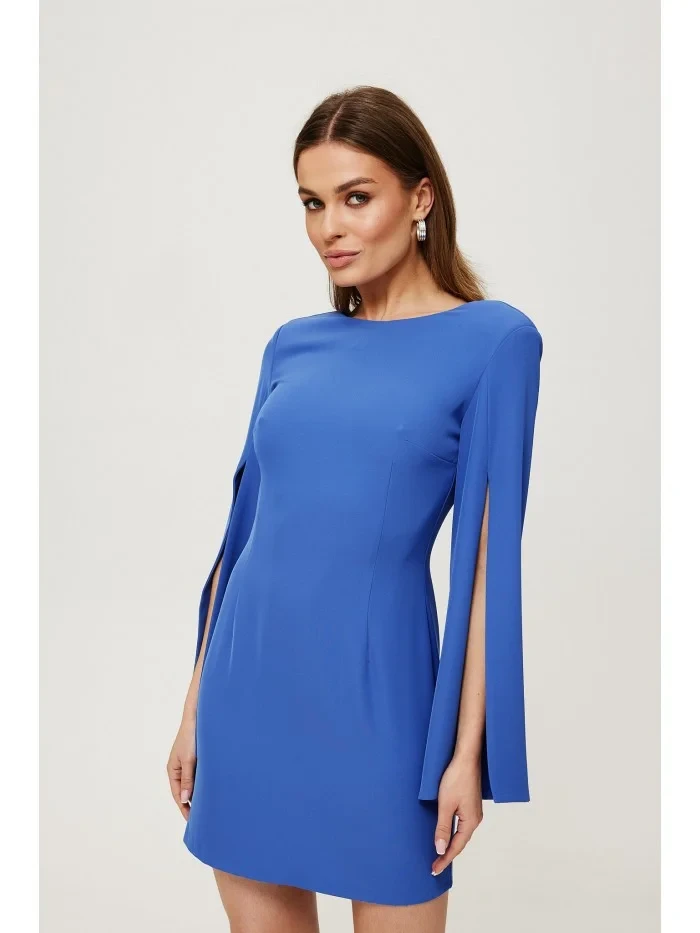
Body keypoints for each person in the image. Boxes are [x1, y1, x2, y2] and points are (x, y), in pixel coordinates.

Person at [167, 85, 543, 933]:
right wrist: (193, 711)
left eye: (356, 197)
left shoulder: (495, 341)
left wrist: (465, 754)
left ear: (420, 197)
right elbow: (243, 536)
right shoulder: (291, 345)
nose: (329, 227)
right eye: (312, 202)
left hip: (383, 708)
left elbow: (491, 565)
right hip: (247, 695)